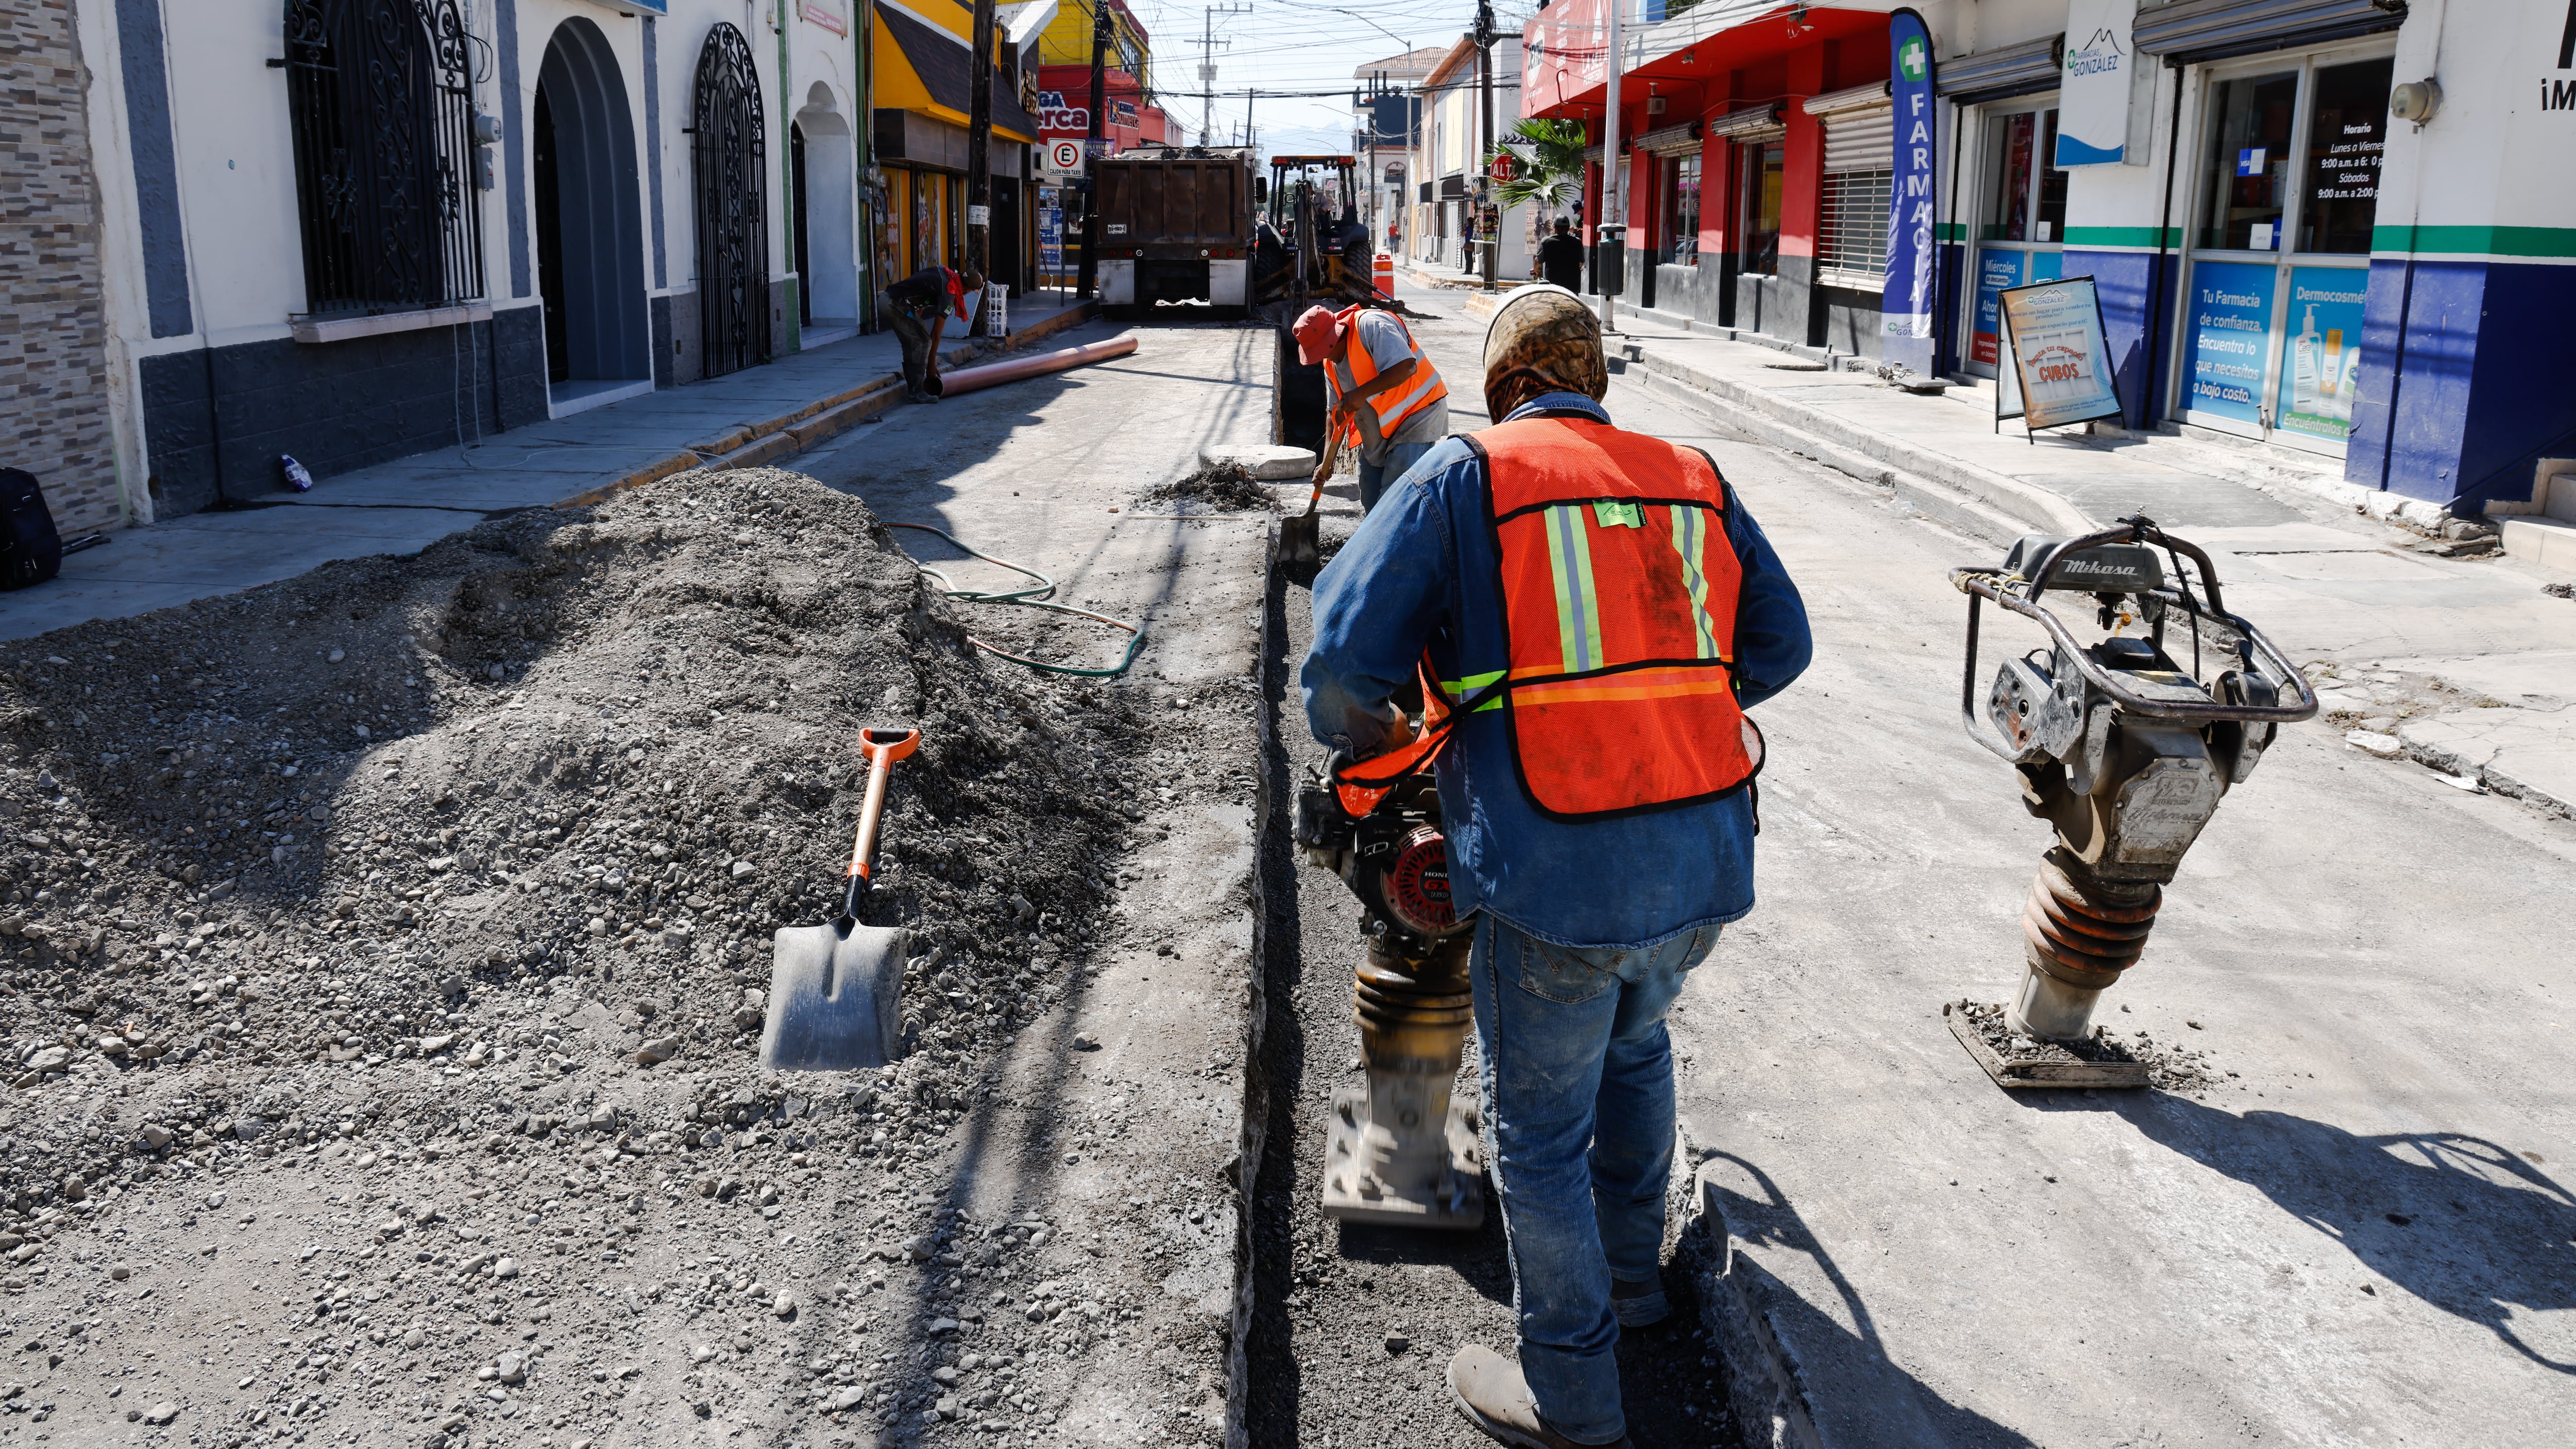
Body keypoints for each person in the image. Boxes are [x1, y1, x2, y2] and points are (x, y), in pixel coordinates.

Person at [1300, 286, 1811, 1449]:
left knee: (1537, 1134)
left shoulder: (1465, 478)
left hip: (1554, 872)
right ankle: (1634, 1282)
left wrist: (1384, 741)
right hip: (1700, 867)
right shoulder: (1691, 471)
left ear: (1502, 386)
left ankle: (1572, 1394)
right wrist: (1669, 713)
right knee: (1636, 1045)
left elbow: (1335, 666)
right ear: (1596, 375)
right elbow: (1782, 643)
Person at [1292, 302, 1451, 514]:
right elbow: (1334, 412)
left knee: (1395, 500)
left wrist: (1361, 393)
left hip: (1418, 416)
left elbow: (1407, 366)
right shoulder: (1330, 364)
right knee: (1370, 496)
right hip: (1381, 429)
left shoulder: (1371, 326)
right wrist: (1327, 460)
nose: (1322, 356)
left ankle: (1406, 543)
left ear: (1332, 338)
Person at [884, 264, 984, 403]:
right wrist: (931, 366)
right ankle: (916, 393)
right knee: (923, 342)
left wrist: (917, 322)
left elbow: (921, 296)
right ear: (967, 290)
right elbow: (936, 334)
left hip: (891, 299)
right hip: (895, 304)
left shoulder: (944, 272)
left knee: (916, 339)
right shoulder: (949, 293)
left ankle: (915, 386)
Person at [1537, 216, 1586, 293]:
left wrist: (1535, 270)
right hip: (1572, 286)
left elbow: (1539, 261)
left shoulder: (1546, 242)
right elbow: (1581, 262)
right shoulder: (1577, 242)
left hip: (1553, 285)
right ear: (1568, 228)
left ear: (1555, 229)